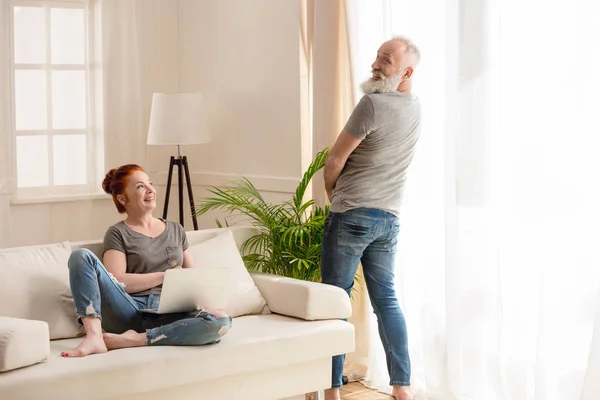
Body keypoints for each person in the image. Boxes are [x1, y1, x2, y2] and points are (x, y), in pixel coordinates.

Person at [320, 36, 421, 400]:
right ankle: (401, 387)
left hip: (351, 214)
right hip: (388, 220)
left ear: (407, 71)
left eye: (387, 60)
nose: (376, 64)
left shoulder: (372, 104)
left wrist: (334, 196)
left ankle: (331, 390)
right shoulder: (415, 108)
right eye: (378, 56)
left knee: (334, 302)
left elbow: (334, 160)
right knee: (387, 301)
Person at [61, 164, 231, 358]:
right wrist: (164, 276)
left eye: (150, 183)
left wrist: (208, 307)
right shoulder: (117, 233)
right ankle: (94, 337)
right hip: (130, 310)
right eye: (140, 186)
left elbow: (193, 278)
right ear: (122, 198)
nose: (150, 190)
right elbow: (117, 280)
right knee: (80, 256)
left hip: (170, 314)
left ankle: (137, 340)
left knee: (222, 322)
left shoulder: (176, 229)